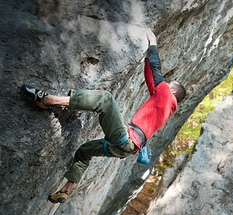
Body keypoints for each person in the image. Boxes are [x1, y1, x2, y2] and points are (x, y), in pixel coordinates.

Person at [22, 28, 186, 203]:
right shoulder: (166, 106)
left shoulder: (166, 96)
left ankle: (47, 99)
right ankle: (65, 190)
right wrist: (146, 55)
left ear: (173, 90)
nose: (165, 84)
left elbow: (156, 69)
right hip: (123, 148)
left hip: (126, 139)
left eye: (168, 84)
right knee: (85, 151)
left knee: (105, 99)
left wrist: (153, 43)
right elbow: (151, 79)